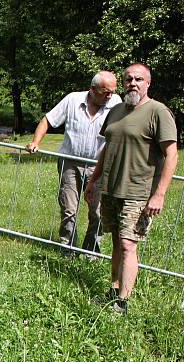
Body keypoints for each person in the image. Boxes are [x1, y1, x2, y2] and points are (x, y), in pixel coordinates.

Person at [86, 63, 178, 313]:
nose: (133, 83)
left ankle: (122, 302)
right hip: (111, 189)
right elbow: (107, 148)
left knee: (128, 244)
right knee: (116, 241)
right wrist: (94, 180)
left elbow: (171, 155)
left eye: (138, 79)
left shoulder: (158, 112)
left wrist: (159, 194)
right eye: (128, 79)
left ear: (148, 83)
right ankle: (113, 290)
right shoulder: (115, 110)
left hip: (138, 192)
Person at [26, 71, 121, 254]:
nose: (109, 96)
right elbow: (48, 120)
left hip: (99, 167)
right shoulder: (72, 100)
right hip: (70, 163)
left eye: (112, 91)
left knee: (98, 212)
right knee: (69, 208)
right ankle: (67, 248)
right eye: (105, 92)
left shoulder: (116, 104)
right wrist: (35, 142)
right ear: (92, 89)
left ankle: (91, 252)